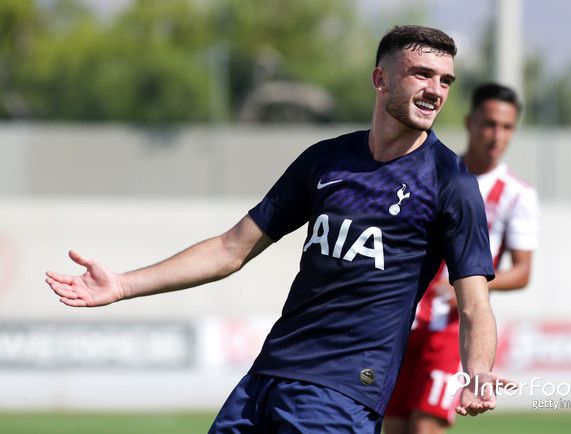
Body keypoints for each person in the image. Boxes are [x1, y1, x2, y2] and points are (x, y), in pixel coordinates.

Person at [46, 26, 512, 433]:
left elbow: (475, 303)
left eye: (445, 80)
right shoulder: (325, 160)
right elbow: (231, 248)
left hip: (343, 391)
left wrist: (476, 372)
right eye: (422, 75)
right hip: (265, 379)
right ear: (380, 79)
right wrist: (122, 285)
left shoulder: (450, 181)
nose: (436, 90)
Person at [383, 83, 539, 434]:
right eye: (489, 124)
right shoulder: (435, 172)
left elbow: (522, 272)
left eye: (507, 127)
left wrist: (466, 288)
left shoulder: (517, 194)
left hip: (451, 330)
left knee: (425, 426)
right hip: (403, 321)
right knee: (391, 426)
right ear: (470, 123)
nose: (496, 136)